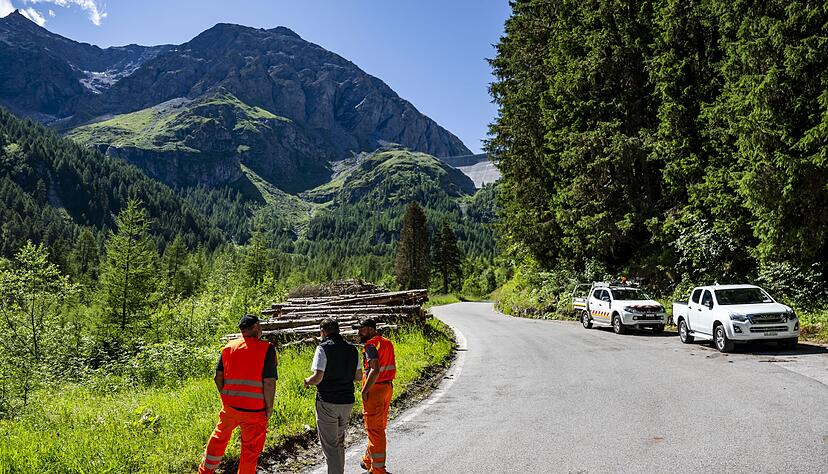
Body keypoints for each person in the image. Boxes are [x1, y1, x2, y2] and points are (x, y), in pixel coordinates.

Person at [199, 314, 277, 474]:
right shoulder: (267, 348)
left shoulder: (229, 347)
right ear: (255, 327)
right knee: (250, 451)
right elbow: (269, 382)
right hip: (255, 412)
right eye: (260, 326)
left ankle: (205, 472)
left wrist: (226, 396)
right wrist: (269, 408)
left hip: (231, 408)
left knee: (218, 439)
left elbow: (217, 377)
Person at [303, 318, 362, 474]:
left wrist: (307, 381)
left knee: (330, 445)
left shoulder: (322, 348)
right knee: (339, 441)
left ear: (323, 332)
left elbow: (318, 377)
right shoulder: (352, 349)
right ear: (338, 330)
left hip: (328, 402)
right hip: (347, 401)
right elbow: (358, 377)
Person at [352, 318, 396, 474]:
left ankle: (378, 470)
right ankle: (368, 460)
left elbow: (375, 369)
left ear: (370, 329)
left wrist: (364, 390)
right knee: (378, 426)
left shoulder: (371, 346)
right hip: (387, 387)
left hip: (375, 390)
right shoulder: (386, 342)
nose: (358, 332)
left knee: (374, 429)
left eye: (361, 329)